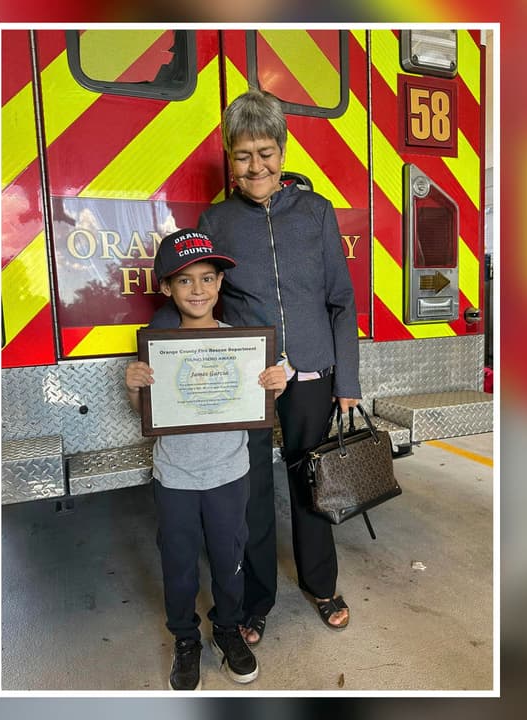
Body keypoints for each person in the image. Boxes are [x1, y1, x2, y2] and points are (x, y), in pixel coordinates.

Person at [149, 89, 362, 645]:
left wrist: (348, 381)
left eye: (265, 153)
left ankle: (322, 585)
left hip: (310, 373)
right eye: (242, 155)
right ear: (230, 159)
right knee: (252, 495)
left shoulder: (315, 212)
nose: (255, 166)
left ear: (283, 152)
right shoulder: (216, 220)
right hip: (245, 381)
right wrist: (154, 354)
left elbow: (341, 301)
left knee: (313, 483)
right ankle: (255, 600)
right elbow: (191, 296)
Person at [125, 228, 288, 691]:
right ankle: (185, 638)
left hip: (229, 474)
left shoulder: (243, 344)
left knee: (229, 558)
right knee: (178, 564)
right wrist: (134, 387)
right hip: (175, 476)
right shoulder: (157, 346)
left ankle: (227, 628)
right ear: (166, 287)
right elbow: (145, 412)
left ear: (220, 283)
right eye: (185, 280)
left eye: (208, 278)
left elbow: (259, 399)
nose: (198, 289)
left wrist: (275, 384)